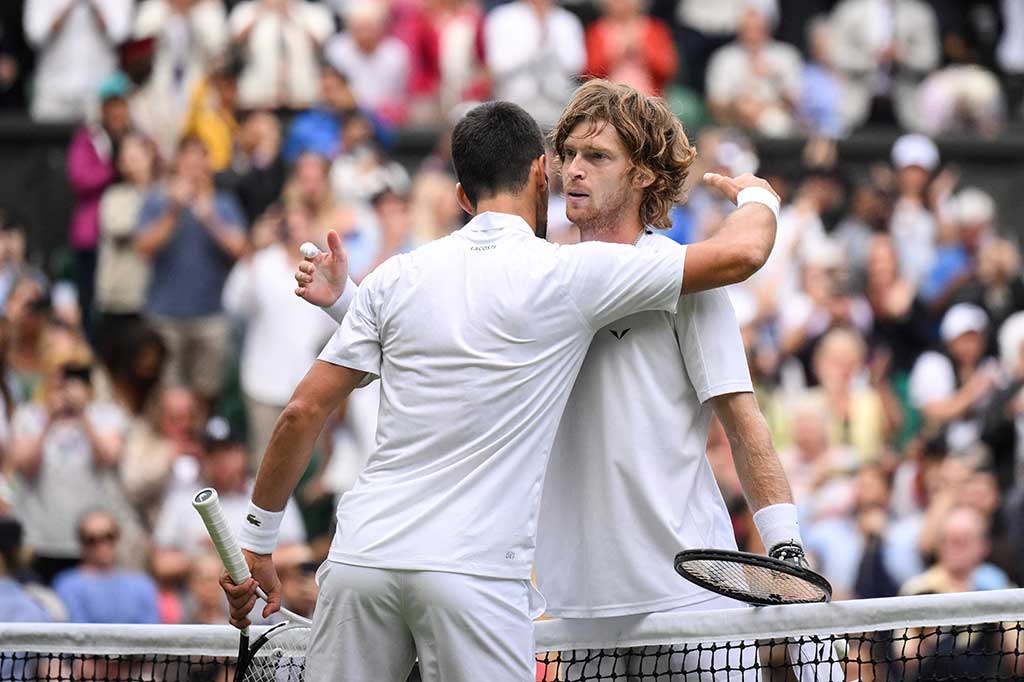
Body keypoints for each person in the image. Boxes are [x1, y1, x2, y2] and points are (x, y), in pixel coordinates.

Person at [223, 100, 781, 681]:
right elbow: (742, 254)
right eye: (568, 158)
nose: (576, 171)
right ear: (543, 173)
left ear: (462, 196)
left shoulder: (396, 277)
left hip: (362, 562)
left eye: (594, 156)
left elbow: (307, 407)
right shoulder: (565, 276)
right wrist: (760, 197)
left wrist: (257, 543)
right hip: (476, 576)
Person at [53, 510, 161, 623]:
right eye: (92, 540)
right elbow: (77, 632)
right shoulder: (68, 585)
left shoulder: (142, 585)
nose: (102, 545)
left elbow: (151, 632)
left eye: (108, 536)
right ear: (81, 543)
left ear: (118, 537)